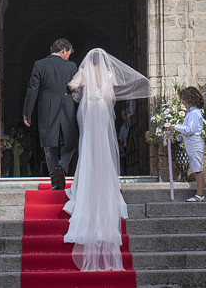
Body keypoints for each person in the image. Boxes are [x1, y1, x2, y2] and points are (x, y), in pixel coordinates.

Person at [62, 48, 150, 271]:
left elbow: (72, 87)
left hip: (87, 109)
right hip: (101, 109)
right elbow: (111, 97)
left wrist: (81, 92)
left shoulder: (84, 71)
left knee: (87, 146)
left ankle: (84, 183)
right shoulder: (109, 74)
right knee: (102, 145)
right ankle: (105, 182)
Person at [23, 38, 79, 189]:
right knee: (71, 142)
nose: (68, 57)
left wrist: (27, 112)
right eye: (68, 53)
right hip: (67, 106)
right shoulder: (71, 66)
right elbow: (77, 88)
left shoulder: (39, 64)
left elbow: (32, 89)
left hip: (47, 107)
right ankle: (62, 166)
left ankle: (55, 182)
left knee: (49, 146)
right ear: (63, 50)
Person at [174, 86, 206, 202]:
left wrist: (175, 127)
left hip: (194, 142)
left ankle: (200, 194)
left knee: (197, 168)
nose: (183, 102)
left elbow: (190, 130)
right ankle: (199, 194)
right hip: (192, 143)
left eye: (184, 99)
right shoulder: (192, 113)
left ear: (191, 99)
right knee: (195, 167)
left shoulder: (194, 114)